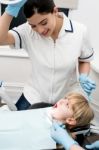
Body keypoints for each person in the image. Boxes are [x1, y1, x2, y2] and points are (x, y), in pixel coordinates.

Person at [0, 0, 96, 110]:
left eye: (44, 22)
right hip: (33, 97)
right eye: (33, 26)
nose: (40, 30)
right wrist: (10, 11)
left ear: (55, 11)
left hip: (65, 101)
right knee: (17, 124)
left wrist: (83, 77)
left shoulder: (80, 31)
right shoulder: (27, 31)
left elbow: (84, 59)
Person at [0, 92, 94, 149]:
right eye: (65, 98)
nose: (61, 101)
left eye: (67, 105)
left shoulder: (52, 140)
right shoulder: (38, 108)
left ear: (70, 120)